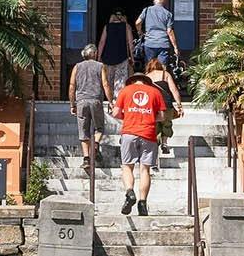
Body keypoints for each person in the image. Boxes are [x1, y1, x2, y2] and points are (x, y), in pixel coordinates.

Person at [113, 64, 168, 216]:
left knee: (127, 166)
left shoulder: (125, 90)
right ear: (146, 81)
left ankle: (130, 192)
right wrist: (149, 116)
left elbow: (116, 113)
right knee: (145, 170)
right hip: (148, 133)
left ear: (132, 81)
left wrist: (128, 116)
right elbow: (163, 116)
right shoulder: (155, 92)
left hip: (129, 132)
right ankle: (142, 203)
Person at [66, 48, 112, 182]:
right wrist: (110, 101)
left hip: (81, 101)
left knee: (83, 130)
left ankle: (86, 158)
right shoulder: (100, 66)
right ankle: (95, 145)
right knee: (99, 128)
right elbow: (105, 84)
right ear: (95, 54)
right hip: (96, 100)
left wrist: (72, 104)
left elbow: (72, 86)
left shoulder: (77, 66)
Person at [138, 0, 178, 70]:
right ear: (164, 3)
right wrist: (175, 47)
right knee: (162, 67)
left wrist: (140, 32)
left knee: (149, 66)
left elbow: (138, 23)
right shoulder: (168, 14)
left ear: (154, 1)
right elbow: (169, 31)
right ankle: (161, 77)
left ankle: (149, 77)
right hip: (163, 44)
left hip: (149, 43)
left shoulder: (147, 10)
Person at [96, 12, 133, 84]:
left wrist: (99, 57)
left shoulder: (107, 26)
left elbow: (102, 42)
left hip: (107, 58)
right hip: (122, 58)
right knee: (121, 82)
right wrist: (132, 58)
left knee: (108, 81)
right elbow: (130, 43)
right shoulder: (127, 27)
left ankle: (109, 92)